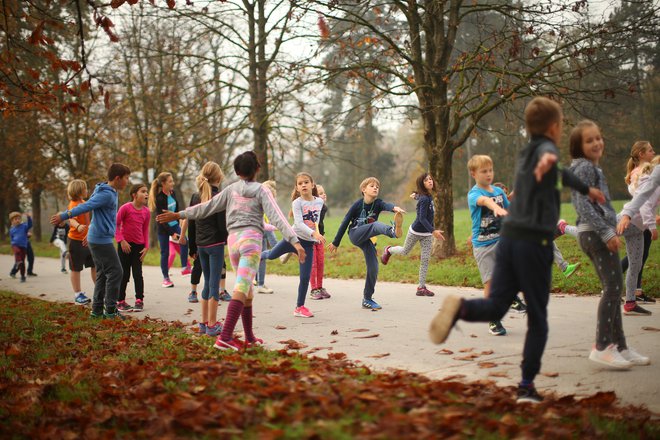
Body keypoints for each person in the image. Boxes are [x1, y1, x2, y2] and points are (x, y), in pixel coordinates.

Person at [429, 97, 605, 404]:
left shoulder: (526, 152)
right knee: (538, 318)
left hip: (508, 239)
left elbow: (559, 172)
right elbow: (552, 162)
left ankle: (460, 309)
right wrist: (570, 179)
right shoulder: (545, 151)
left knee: (497, 305)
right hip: (533, 244)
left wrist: (583, 187)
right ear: (554, 127)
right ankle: (526, 387)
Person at [157, 151, 305, 351]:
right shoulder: (262, 190)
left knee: (247, 291)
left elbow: (205, 207)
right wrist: (295, 241)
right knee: (242, 289)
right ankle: (225, 337)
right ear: (257, 169)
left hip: (234, 242)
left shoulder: (230, 189)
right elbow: (277, 216)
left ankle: (250, 337)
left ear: (236, 171)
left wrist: (180, 214)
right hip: (251, 242)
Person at [568, 120, 650, 369]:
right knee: (613, 289)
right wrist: (606, 232)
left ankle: (620, 346)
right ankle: (603, 346)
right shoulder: (583, 168)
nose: (596, 143)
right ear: (578, 146)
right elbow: (583, 204)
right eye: (589, 140)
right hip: (594, 233)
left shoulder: (593, 169)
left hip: (598, 231)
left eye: (598, 138)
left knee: (614, 289)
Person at [51, 163, 131, 318]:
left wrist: (91, 232)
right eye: (126, 178)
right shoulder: (106, 194)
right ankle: (110, 309)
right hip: (101, 239)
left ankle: (96, 310)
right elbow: (86, 206)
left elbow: (97, 214)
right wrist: (64, 215)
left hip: (98, 236)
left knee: (102, 273)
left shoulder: (109, 191)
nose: (127, 181)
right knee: (116, 271)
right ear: (117, 178)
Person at [467, 156, 527, 336]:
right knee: (490, 283)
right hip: (483, 246)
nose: (488, 174)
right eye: (483, 171)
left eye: (490, 170)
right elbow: (485, 201)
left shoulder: (499, 192)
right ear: (473, 174)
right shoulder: (474, 194)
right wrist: (493, 206)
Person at [328, 177, 405, 310]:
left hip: (367, 238)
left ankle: (367, 299)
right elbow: (344, 223)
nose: (375, 188)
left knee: (373, 267)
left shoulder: (378, 203)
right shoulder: (357, 205)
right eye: (372, 186)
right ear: (363, 189)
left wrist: (394, 208)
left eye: (377, 187)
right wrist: (336, 242)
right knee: (374, 225)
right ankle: (392, 232)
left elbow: (386, 205)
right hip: (355, 234)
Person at [261, 172, 324, 317]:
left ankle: (299, 307)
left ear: (312, 185)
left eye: (306, 182)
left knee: (304, 277)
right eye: (300, 183)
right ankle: (258, 255)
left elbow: (316, 221)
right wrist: (314, 233)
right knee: (271, 255)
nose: (303, 185)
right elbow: (299, 224)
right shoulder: (297, 203)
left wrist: (316, 234)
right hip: (293, 240)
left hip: (308, 245)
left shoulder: (319, 202)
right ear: (296, 188)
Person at [381, 172, 444, 297]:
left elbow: (420, 197)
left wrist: (415, 195)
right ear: (422, 183)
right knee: (405, 251)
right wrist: (433, 231)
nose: (430, 181)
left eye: (431, 179)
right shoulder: (425, 199)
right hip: (415, 231)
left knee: (425, 259)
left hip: (426, 234)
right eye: (426, 180)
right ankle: (389, 250)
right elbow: (422, 218)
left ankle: (421, 287)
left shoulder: (426, 196)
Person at [187, 162, 229, 337]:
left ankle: (203, 323)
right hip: (215, 245)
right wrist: (226, 239)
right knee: (214, 284)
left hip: (201, 245)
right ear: (219, 178)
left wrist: (192, 247)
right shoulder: (218, 196)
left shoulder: (195, 197)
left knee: (207, 283)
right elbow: (221, 224)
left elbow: (191, 222)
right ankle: (212, 325)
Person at [617, 157, 659, 316]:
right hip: (625, 222)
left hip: (637, 229)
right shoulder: (650, 180)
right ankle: (562, 227)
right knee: (590, 234)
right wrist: (652, 227)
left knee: (635, 264)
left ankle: (630, 303)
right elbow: (645, 205)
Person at [148, 172, 191, 288]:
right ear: (163, 183)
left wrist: (178, 224)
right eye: (170, 181)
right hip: (163, 227)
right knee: (165, 253)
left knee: (184, 239)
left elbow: (175, 211)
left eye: (172, 180)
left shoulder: (173, 193)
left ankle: (184, 268)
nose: (173, 183)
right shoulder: (160, 198)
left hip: (174, 224)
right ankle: (165, 278)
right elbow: (161, 220)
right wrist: (172, 233)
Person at [115, 183, 150, 313]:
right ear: (134, 195)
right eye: (143, 191)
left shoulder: (146, 211)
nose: (146, 194)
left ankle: (139, 300)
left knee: (137, 274)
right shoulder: (125, 208)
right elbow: (116, 225)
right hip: (125, 246)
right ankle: (120, 301)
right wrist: (121, 241)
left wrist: (146, 247)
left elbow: (145, 230)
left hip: (139, 247)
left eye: (147, 192)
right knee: (124, 274)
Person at [64, 179, 96, 305]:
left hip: (88, 240)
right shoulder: (73, 204)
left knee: (94, 266)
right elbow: (71, 219)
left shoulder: (85, 203)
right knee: (76, 268)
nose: (87, 190)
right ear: (78, 191)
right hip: (76, 241)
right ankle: (78, 294)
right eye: (85, 188)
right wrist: (77, 226)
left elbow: (89, 221)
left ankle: (99, 291)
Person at [255, 180, 278, 294]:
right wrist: (275, 227)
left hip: (261, 234)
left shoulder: (264, 206)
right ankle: (279, 250)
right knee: (259, 257)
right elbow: (262, 225)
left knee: (261, 258)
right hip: (254, 235)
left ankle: (260, 283)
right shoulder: (257, 206)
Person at [310, 184, 331, 299]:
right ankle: (314, 289)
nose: (324, 195)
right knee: (313, 264)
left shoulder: (323, 207)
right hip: (311, 239)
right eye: (321, 193)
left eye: (324, 192)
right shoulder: (311, 208)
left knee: (320, 263)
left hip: (320, 238)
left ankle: (319, 287)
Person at [9, 212, 31, 282]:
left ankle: (22, 276)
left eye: (19, 218)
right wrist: (12, 244)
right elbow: (12, 238)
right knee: (17, 252)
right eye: (15, 219)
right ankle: (18, 262)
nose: (17, 220)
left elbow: (30, 225)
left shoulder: (24, 226)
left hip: (23, 246)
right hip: (15, 245)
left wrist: (29, 218)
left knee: (22, 263)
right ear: (12, 221)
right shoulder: (11, 230)